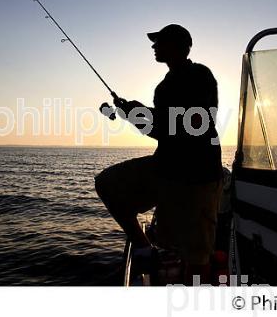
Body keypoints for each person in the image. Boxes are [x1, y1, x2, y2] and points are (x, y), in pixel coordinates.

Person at [94, 24, 223, 278]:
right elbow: (162, 128)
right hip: (167, 167)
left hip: (199, 175)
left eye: (159, 42)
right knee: (107, 184)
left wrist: (137, 113)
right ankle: (143, 248)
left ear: (178, 46)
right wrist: (132, 112)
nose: (154, 46)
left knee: (197, 258)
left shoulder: (200, 75)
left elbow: (193, 124)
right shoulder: (163, 87)